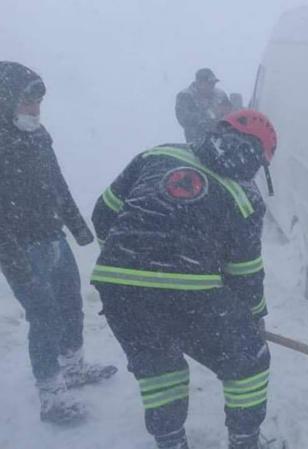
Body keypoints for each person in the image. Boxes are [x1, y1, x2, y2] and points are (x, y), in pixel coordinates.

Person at [90, 109, 277, 449]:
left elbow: (103, 212)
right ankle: (246, 441)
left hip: (118, 289)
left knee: (160, 369)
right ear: (258, 159)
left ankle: (171, 442)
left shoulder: (158, 154)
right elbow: (245, 273)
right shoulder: (245, 196)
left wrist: (127, 260)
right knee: (249, 360)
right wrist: (254, 317)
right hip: (189, 295)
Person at [0, 61, 117, 425]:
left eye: (37, 104)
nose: (34, 110)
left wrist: (78, 228)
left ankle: (74, 367)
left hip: (54, 236)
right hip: (21, 247)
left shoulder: (37, 134)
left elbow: (56, 181)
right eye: (26, 103)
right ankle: (51, 395)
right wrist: (12, 258)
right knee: (44, 316)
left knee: (70, 305)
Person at [175, 68, 233, 144]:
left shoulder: (220, 94)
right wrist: (210, 115)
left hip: (223, 140)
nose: (212, 86)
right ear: (199, 83)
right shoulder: (186, 96)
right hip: (197, 142)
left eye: (213, 83)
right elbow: (184, 118)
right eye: (209, 83)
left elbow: (231, 112)